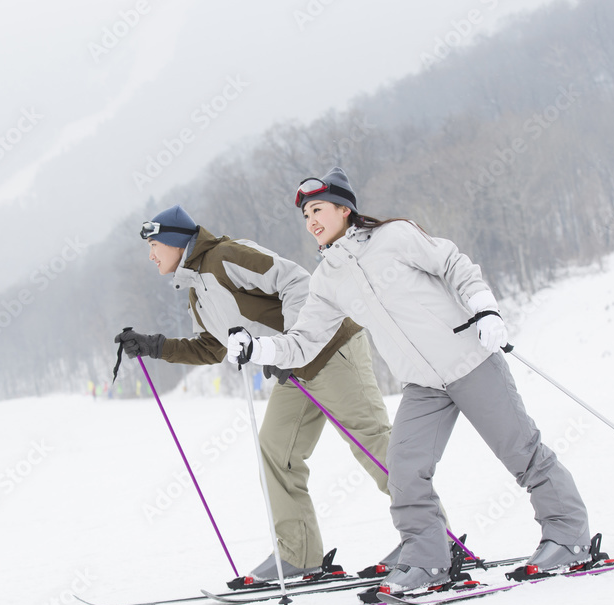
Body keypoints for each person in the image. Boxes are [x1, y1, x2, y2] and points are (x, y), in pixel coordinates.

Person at [227, 167, 591, 594]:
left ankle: (569, 539)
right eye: (306, 215)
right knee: (403, 473)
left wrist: (484, 307)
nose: (311, 221)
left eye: (318, 210)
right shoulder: (329, 279)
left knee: (522, 453)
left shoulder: (395, 236)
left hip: (469, 360)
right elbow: (305, 341)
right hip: (422, 385)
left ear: (345, 210)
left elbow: (452, 262)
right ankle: (428, 562)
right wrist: (259, 349)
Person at [115, 204, 404, 582]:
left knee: (371, 442)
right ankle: (300, 555)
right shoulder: (197, 291)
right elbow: (212, 348)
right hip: (292, 371)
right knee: (276, 451)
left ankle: (428, 537)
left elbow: (297, 282)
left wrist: (291, 342)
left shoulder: (224, 256)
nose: (151, 255)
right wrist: (157, 347)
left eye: (154, 244)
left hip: (331, 349)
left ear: (173, 240)